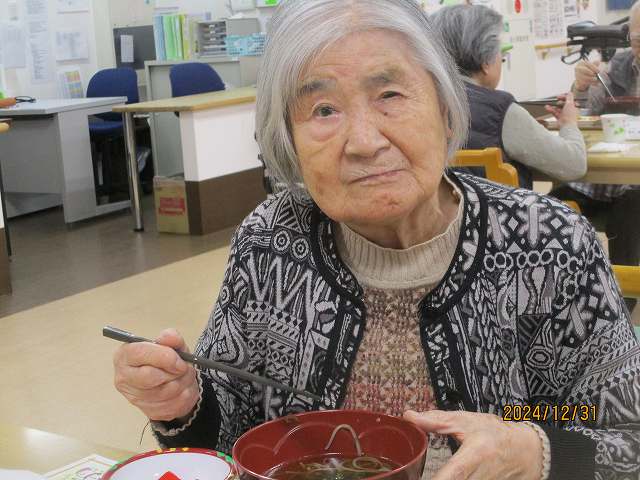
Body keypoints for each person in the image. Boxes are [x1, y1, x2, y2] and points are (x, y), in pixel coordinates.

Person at [112, 1, 640, 479]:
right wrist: (185, 404)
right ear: (288, 141)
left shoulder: (547, 244)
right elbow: (234, 423)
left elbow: (624, 434)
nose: (364, 142)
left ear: (445, 108)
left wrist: (533, 447)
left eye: (390, 94)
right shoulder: (270, 240)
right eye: (323, 110)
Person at [431, 5, 586, 191]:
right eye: (501, 56)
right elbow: (574, 165)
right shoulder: (498, 109)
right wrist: (569, 123)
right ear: (486, 62)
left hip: (444, 207)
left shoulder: (423, 100)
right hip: (496, 209)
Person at [553, 0, 640, 312]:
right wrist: (580, 86)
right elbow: (586, 111)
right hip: (604, 176)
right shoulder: (619, 64)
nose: (639, 46)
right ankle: (561, 301)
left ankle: (622, 305)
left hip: (633, 185)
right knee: (549, 205)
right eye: (636, 38)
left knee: (632, 204)